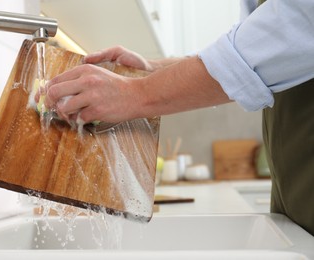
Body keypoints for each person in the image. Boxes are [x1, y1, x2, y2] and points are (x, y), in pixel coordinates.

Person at [41, 0, 314, 236]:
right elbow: (259, 46)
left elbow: (293, 30)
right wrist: (150, 71)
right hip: (295, 195)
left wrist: (135, 93)